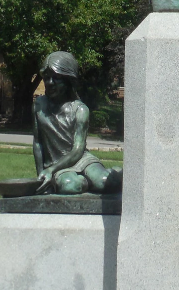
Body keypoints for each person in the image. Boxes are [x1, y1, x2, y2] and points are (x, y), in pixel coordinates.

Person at [33, 51, 121, 195]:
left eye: (56, 78)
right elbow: (38, 143)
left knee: (106, 181)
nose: (50, 83)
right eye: (47, 78)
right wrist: (42, 176)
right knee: (70, 186)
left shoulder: (80, 109)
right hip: (57, 165)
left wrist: (51, 171)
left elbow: (78, 150)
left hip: (81, 159)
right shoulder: (39, 105)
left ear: (69, 81)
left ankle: (115, 173)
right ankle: (83, 181)